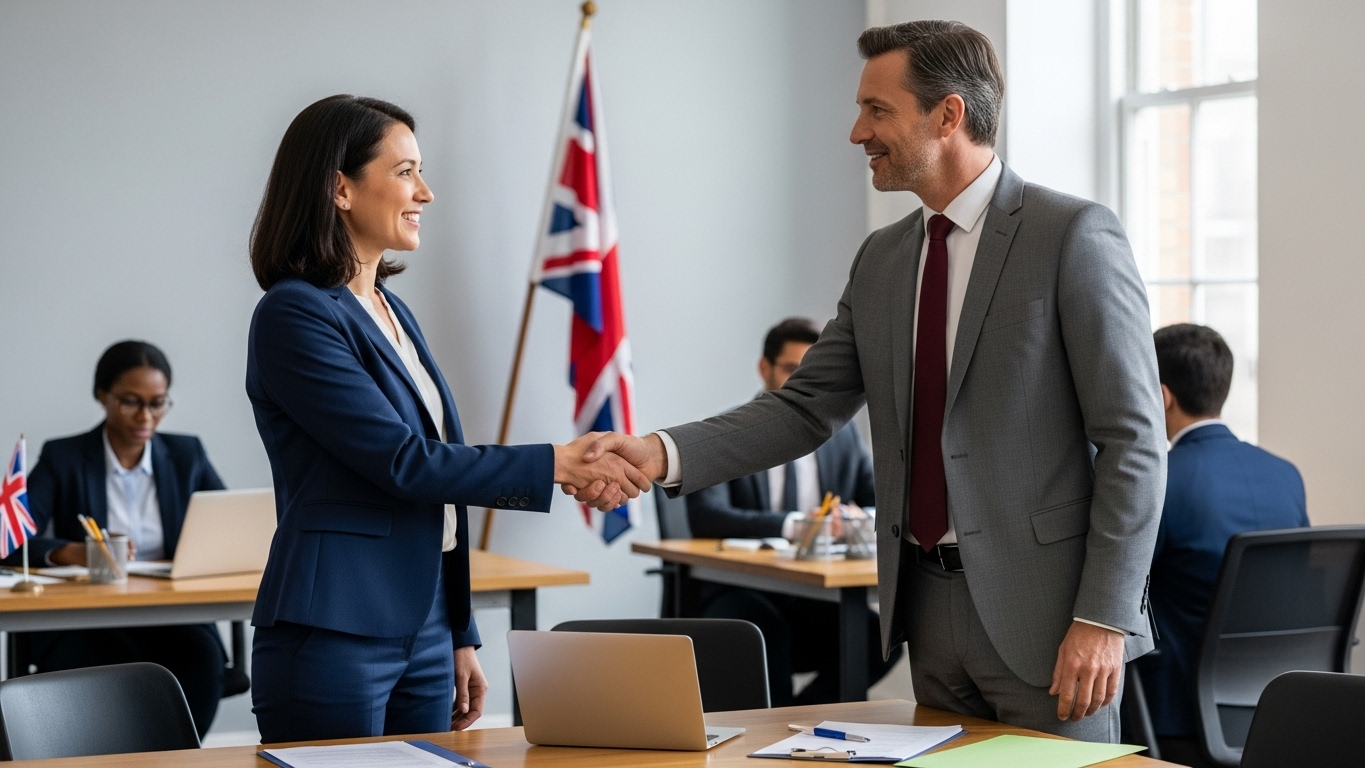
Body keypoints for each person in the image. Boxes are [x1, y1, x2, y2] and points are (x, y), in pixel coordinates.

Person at [571, 21, 1164, 741]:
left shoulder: (1072, 235)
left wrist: (1103, 618)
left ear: (948, 114)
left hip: (1052, 620)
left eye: (877, 110)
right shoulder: (883, 258)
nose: (858, 132)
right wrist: (659, 452)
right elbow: (802, 408)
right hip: (925, 610)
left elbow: (1134, 442)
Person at [245, 95, 648, 742]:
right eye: (405, 172)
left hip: (427, 627)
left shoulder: (393, 312)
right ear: (340, 189)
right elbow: (404, 463)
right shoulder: (295, 316)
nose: (425, 192)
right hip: (336, 631)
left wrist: (458, 630)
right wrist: (557, 464)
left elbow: (442, 501)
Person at [5, 341, 229, 737]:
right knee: (115, 666)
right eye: (130, 402)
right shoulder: (65, 457)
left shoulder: (186, 454)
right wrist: (71, 552)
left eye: (158, 403)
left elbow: (227, 524)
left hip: (170, 613)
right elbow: (11, 537)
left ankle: (175, 761)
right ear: (102, 396)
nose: (146, 416)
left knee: (200, 658)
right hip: (85, 618)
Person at [686, 317, 892, 705]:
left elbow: (879, 501)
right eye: (791, 370)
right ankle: (776, 729)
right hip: (740, 588)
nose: (801, 382)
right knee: (766, 630)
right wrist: (799, 526)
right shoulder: (732, 430)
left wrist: (857, 519)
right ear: (765, 369)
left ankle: (798, 720)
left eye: (810, 372)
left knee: (882, 634)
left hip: (809, 591)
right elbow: (707, 518)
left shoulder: (842, 435)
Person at [1136, 324, 1308, 764]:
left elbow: (1126, 587)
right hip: (1277, 708)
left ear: (1161, 394)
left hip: (1178, 714)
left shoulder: (1161, 482)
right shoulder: (1285, 475)